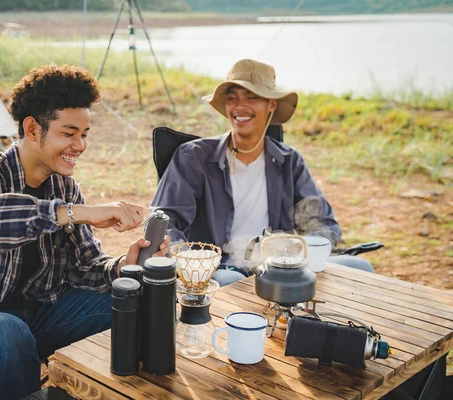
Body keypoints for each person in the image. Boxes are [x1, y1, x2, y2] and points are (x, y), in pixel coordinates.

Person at [0, 64, 169, 400]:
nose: (80, 145)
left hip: (41, 316)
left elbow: (84, 268)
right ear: (31, 128)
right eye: (68, 134)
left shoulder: (65, 187)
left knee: (132, 300)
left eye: (84, 134)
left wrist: (124, 266)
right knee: (8, 331)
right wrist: (77, 213)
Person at [151, 59, 373, 286]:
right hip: (220, 269)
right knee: (233, 281)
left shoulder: (288, 161)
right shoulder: (193, 157)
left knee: (361, 268)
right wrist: (191, 261)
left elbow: (324, 223)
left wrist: (304, 250)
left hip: (280, 265)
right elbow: (163, 220)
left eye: (252, 97)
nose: (240, 106)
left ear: (271, 105)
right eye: (232, 98)